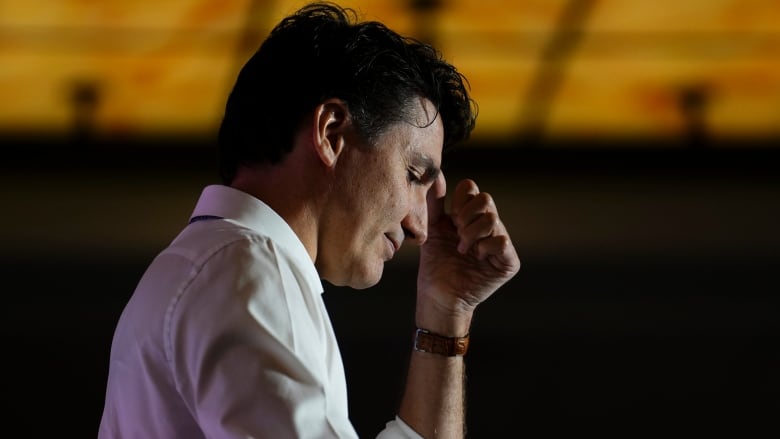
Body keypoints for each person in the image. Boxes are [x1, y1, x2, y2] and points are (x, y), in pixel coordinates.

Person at [98, 2, 520, 438]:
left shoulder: (217, 266)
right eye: (414, 175)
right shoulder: (248, 272)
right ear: (331, 133)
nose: (420, 227)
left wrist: (445, 313)